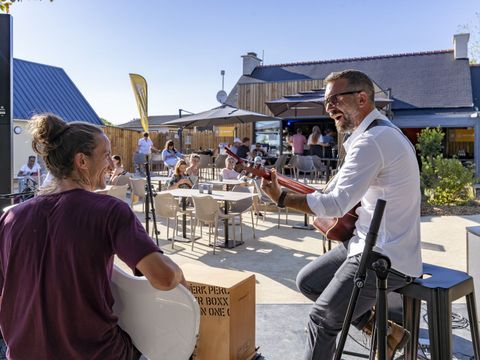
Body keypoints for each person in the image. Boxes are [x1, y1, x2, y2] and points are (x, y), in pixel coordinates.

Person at [261, 70, 422, 360]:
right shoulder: (377, 134)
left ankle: (382, 330)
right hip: (367, 242)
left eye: (335, 99)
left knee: (321, 319)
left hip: (385, 255)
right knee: (308, 281)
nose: (329, 107)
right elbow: (340, 195)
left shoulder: (372, 141)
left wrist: (282, 198)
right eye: (326, 102)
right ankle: (382, 330)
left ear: (362, 98)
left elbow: (335, 204)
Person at [0, 113, 187, 359]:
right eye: (106, 155)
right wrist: (181, 277)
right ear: (82, 161)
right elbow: (163, 278)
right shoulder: (109, 210)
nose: (111, 164)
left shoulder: (11, 218)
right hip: (96, 353)